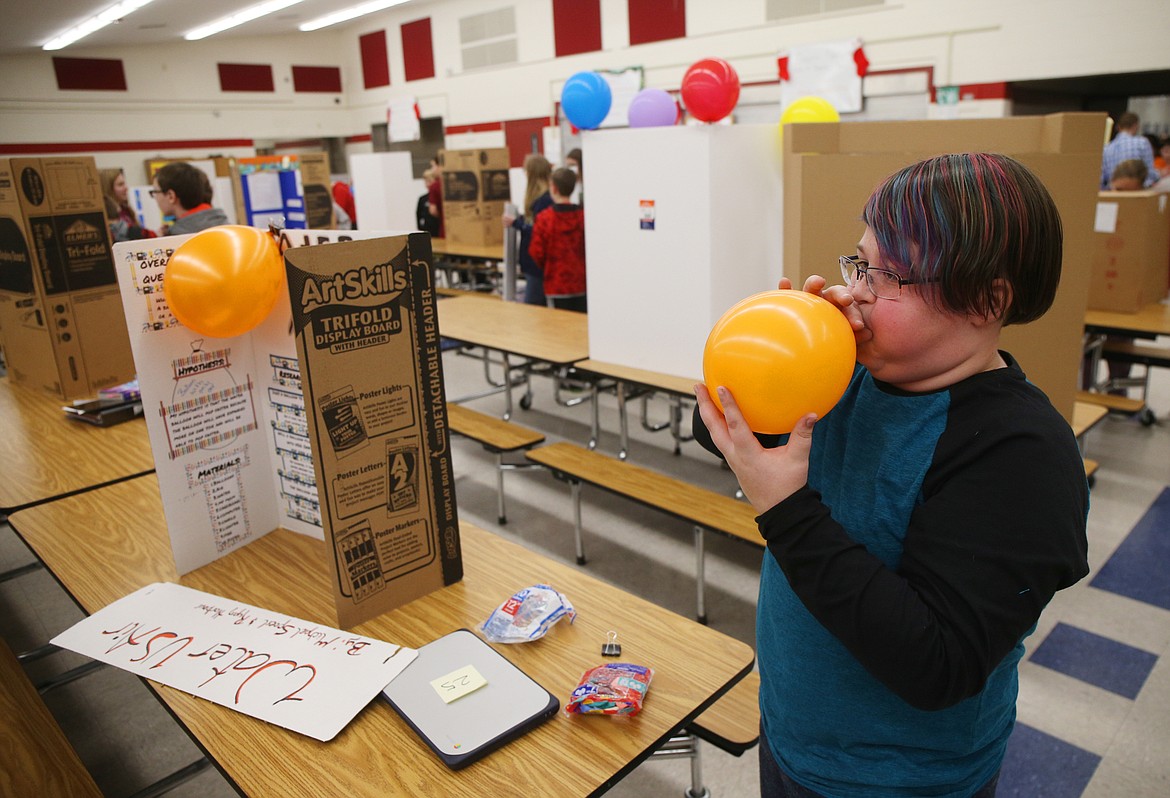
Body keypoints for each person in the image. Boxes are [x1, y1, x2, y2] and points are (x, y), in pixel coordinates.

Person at [692, 153, 1089, 798]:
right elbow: (715, 430)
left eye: (891, 274)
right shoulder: (844, 371)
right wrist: (772, 355)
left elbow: (939, 666)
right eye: (860, 263)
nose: (857, 291)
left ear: (988, 299)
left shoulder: (1024, 454)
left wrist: (786, 512)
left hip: (903, 780)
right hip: (792, 737)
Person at [529, 167, 586, 312]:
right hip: (582, 282)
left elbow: (537, 252)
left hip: (556, 283)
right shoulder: (583, 217)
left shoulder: (544, 219)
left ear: (553, 188)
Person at [502, 153, 553, 305]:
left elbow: (537, 230)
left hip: (537, 265)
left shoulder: (544, 199)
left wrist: (517, 223)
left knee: (534, 306)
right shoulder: (541, 198)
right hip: (533, 264)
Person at [151, 162, 228, 235]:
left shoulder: (177, 237)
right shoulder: (225, 225)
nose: (155, 198)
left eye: (155, 192)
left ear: (171, 196)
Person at [1100, 112, 1155, 189]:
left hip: (1115, 192)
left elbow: (1102, 179)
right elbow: (1150, 174)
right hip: (1137, 191)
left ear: (1118, 127)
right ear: (1136, 125)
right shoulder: (1142, 143)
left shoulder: (1106, 148)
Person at [100, 167, 151, 242]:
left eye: (125, 183)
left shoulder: (127, 210)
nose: (126, 188)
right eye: (120, 185)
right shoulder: (107, 217)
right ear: (108, 188)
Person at [416, 167, 441, 238]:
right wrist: (420, 228)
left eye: (429, 181)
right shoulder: (422, 199)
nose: (427, 184)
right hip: (427, 229)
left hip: (437, 228)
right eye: (425, 181)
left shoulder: (439, 198)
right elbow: (418, 214)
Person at [427, 153, 445, 238]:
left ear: (439, 166)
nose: (432, 169)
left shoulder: (435, 186)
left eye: (433, 166)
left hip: (445, 229)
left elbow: (433, 210)